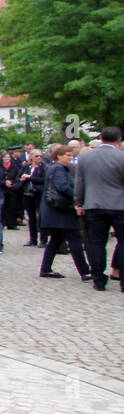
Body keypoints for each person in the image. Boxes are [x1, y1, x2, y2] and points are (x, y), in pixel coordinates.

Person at [74, 125, 124, 292]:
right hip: (119, 205)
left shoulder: (86, 157)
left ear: (101, 138)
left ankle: (98, 279)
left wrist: (78, 202)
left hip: (94, 204)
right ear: (119, 139)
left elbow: (80, 182)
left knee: (97, 243)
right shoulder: (121, 156)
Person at [39, 145, 90, 280]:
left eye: (71, 155)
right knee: (74, 240)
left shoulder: (53, 167)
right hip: (60, 210)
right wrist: (77, 198)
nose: (70, 157)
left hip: (54, 210)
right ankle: (84, 271)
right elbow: (63, 187)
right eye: (67, 155)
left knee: (56, 240)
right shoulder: (58, 168)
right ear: (59, 156)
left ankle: (45, 269)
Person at [21, 149, 45, 246]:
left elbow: (44, 180)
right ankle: (33, 239)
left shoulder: (43, 167)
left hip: (39, 193)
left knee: (41, 216)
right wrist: (22, 178)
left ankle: (43, 239)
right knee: (31, 217)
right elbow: (19, 176)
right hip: (27, 194)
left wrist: (30, 177)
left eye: (40, 156)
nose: (39, 158)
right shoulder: (26, 167)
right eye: (36, 156)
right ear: (31, 157)